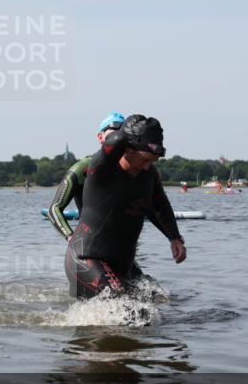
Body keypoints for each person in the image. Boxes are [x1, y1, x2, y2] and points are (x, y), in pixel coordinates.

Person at [65, 114, 187, 300]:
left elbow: (160, 205)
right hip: (87, 258)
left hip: (122, 263)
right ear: (127, 149)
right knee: (125, 308)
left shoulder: (149, 174)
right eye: (144, 160)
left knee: (157, 299)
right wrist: (130, 129)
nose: (147, 167)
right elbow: (115, 141)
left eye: (151, 162)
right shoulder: (102, 167)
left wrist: (174, 238)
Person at [48, 112, 125, 240]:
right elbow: (54, 209)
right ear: (100, 137)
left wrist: (172, 238)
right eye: (113, 134)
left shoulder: (135, 170)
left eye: (122, 135)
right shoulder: (83, 168)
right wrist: (70, 237)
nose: (118, 138)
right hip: (88, 245)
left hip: (121, 247)